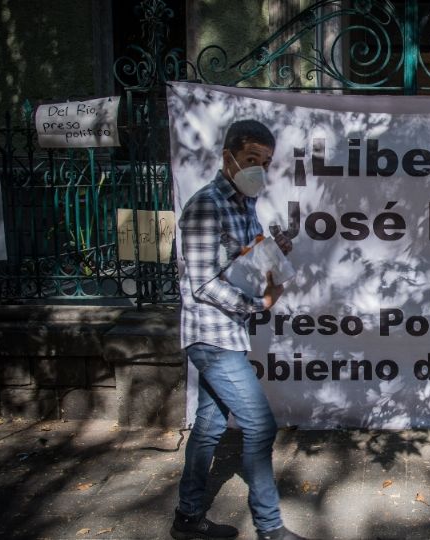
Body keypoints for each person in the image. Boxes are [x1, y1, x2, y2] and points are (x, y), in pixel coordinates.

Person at [172, 119, 304, 540]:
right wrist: (258, 304)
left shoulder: (246, 204)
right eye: (251, 160)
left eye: (265, 162)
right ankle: (270, 528)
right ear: (227, 157)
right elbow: (204, 282)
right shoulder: (206, 205)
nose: (259, 170)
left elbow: (246, 263)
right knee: (261, 426)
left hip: (229, 333)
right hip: (210, 336)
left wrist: (273, 254)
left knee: (209, 427)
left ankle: (187, 519)